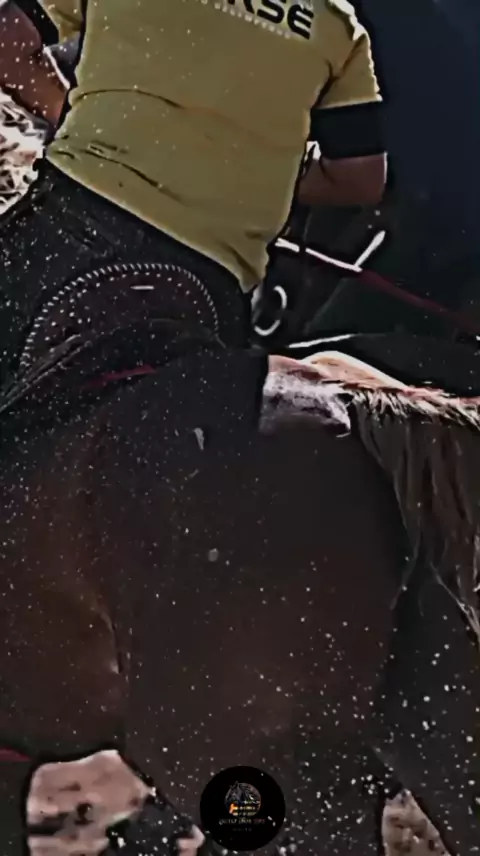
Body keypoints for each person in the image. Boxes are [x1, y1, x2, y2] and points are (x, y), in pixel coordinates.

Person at [0, 0, 386, 399]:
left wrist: (76, 114)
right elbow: (359, 178)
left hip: (74, 230)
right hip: (210, 286)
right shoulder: (337, 26)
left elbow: (7, 43)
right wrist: (259, 171)